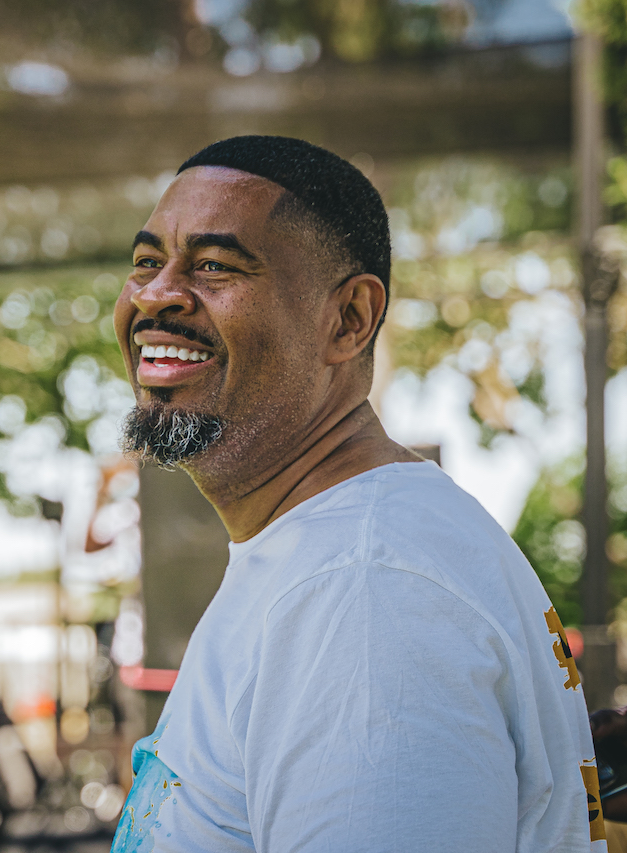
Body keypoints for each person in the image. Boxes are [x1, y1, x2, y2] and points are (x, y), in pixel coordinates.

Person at [110, 136, 601, 851]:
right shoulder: (332, 554)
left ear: (349, 319)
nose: (157, 293)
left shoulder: (363, 594)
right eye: (147, 262)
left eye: (215, 265)